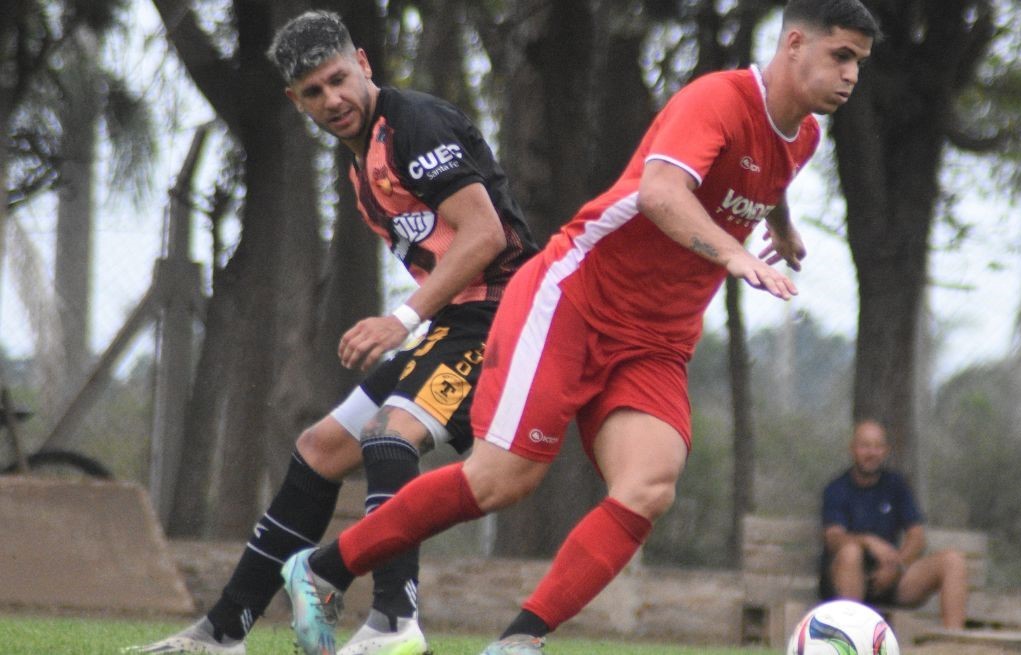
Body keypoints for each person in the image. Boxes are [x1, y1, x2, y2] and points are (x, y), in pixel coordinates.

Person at [278, 2, 880, 654]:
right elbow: (660, 192)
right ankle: (322, 568)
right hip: (575, 298)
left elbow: (773, 168)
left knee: (649, 485)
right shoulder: (717, 98)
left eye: (859, 63)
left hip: (656, 339)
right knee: (500, 480)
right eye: (841, 56)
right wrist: (732, 253)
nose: (851, 74)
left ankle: (520, 639)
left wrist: (780, 226)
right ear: (795, 43)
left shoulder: (805, 135)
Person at [125, 10, 537, 655]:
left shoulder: (414, 124)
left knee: (389, 436)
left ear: (364, 64)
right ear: (296, 101)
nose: (332, 99)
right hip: (456, 320)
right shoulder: (360, 160)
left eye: (339, 79)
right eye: (313, 92)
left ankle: (396, 623)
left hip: (501, 309)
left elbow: (485, 235)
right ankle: (221, 634)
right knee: (320, 448)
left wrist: (401, 318)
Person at [819, 419, 969, 630]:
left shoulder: (896, 486)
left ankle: (954, 647)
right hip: (845, 582)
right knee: (850, 552)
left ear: (886, 451)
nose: (871, 453)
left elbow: (917, 535)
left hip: (889, 579)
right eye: (865, 446)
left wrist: (897, 565)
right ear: (852, 449)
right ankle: (853, 642)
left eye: (877, 446)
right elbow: (833, 538)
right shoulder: (836, 489)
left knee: (953, 560)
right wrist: (868, 542)